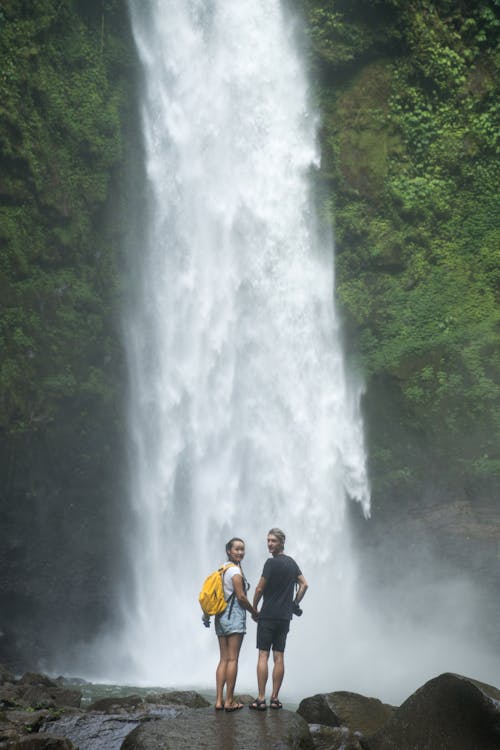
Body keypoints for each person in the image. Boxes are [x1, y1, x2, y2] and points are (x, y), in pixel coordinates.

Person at [250, 527, 308, 710]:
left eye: (273, 541)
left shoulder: (271, 563)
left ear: (282, 542)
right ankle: (275, 699)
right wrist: (294, 603)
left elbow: (259, 588)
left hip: (267, 615)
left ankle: (261, 699)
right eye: (268, 541)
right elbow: (304, 584)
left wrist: (254, 608)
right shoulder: (292, 563)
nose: (269, 544)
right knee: (279, 656)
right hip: (284, 617)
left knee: (263, 654)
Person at [209, 537, 258, 712]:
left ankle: (218, 701)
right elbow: (241, 597)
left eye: (242, 549)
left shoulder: (222, 570)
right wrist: (254, 612)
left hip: (220, 617)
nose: (240, 552)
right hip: (234, 617)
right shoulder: (235, 572)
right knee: (232, 659)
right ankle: (229, 701)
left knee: (223, 659)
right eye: (237, 549)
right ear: (229, 551)